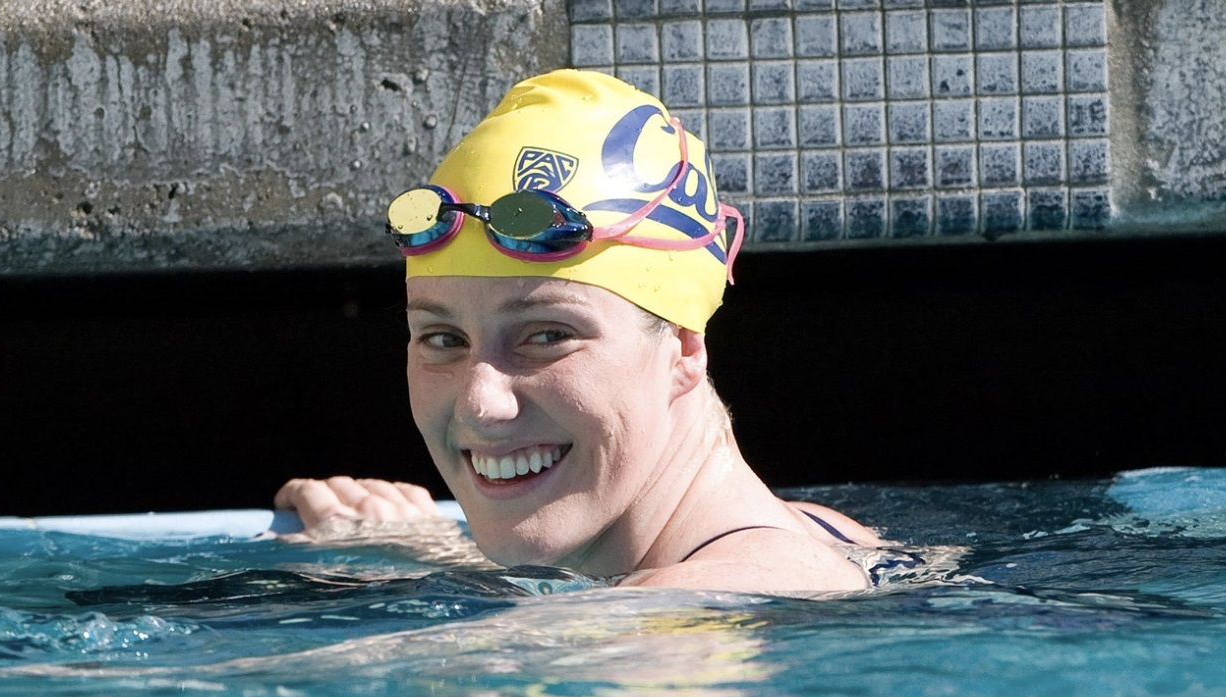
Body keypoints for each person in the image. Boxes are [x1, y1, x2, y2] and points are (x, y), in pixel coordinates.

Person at [275, 69, 880, 595]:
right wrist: (434, 548)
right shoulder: (816, 531)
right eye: (443, 339)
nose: (480, 403)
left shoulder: (742, 587)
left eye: (546, 336)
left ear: (683, 347)